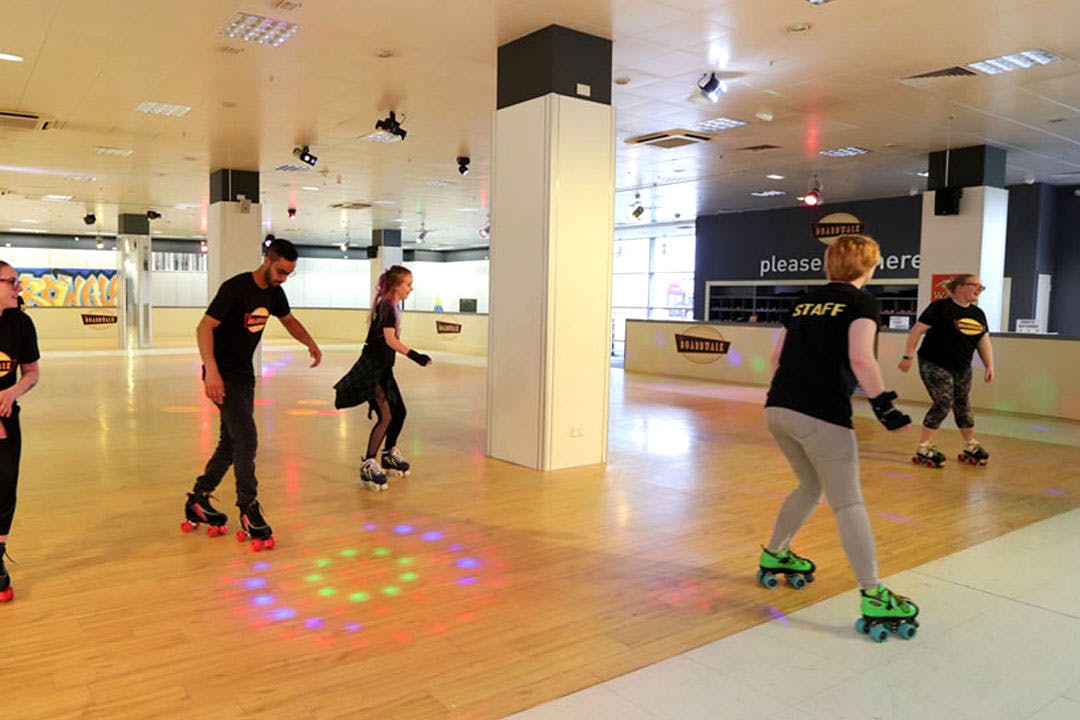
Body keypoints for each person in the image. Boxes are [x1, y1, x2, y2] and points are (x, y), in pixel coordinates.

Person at [756, 234, 919, 642]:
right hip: (821, 412)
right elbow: (861, 357)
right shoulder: (862, 303)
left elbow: (776, 359)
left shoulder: (801, 301)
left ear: (829, 265)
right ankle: (873, 592)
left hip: (778, 408)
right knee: (847, 501)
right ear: (869, 266)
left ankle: (776, 552)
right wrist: (884, 406)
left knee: (810, 486)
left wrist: (786, 396)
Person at [183, 238, 322, 550]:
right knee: (247, 437)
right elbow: (204, 328)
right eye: (281, 271)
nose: (283, 278)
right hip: (223, 374)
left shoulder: (275, 293)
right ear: (268, 260)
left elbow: (289, 321)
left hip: (244, 376)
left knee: (230, 442)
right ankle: (248, 507)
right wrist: (211, 370)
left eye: (289, 274)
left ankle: (198, 499)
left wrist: (310, 343)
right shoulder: (235, 288)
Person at [333, 265, 431, 491]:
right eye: (408, 284)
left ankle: (388, 454)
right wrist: (415, 355)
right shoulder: (387, 307)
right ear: (397, 285)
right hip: (374, 368)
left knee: (400, 412)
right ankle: (368, 463)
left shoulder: (391, 306)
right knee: (386, 416)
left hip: (383, 368)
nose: (411, 288)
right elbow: (389, 340)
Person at [899, 274, 994, 467]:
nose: (979, 290)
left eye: (981, 287)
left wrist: (989, 365)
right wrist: (907, 355)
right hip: (933, 362)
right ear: (959, 287)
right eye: (974, 285)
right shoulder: (940, 308)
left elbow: (983, 341)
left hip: (962, 366)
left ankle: (970, 444)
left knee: (962, 403)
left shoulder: (978, 314)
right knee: (944, 401)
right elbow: (916, 331)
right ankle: (924, 446)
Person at [0, 263, 40, 602]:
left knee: (5, 489)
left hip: (6, 418)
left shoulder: (21, 324)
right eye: (11, 282)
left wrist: (12, 393)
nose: (18, 287)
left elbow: (31, 373)